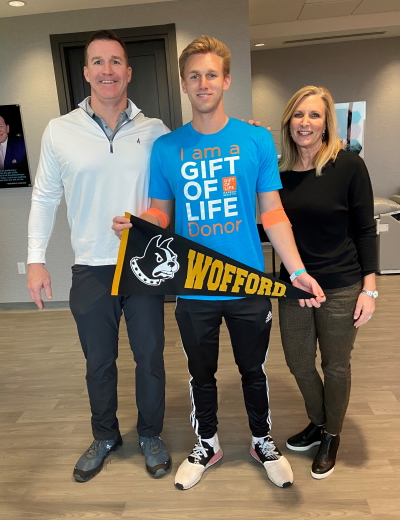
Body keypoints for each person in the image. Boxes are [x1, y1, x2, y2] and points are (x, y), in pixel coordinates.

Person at [113, 36, 325, 490]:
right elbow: (161, 212)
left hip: (248, 283)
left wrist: (299, 270)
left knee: (254, 371)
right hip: (195, 286)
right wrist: (140, 225)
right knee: (200, 373)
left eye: (212, 74)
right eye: (194, 75)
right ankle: (206, 442)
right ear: (184, 84)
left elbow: (272, 212)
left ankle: (261, 440)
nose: (203, 83)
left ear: (225, 80)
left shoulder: (255, 138)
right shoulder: (167, 148)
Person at [27, 30, 172, 483]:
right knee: (99, 362)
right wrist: (35, 259)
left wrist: (150, 219)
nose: (107, 70)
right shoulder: (60, 130)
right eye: (97, 62)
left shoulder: (156, 132)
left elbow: (170, 199)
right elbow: (45, 197)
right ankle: (105, 434)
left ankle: (150, 433)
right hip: (90, 266)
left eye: (115, 62)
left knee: (150, 357)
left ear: (128, 72)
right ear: (86, 72)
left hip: (143, 263)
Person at [277, 85, 377, 479]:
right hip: (294, 287)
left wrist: (369, 288)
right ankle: (318, 422)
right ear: (289, 121)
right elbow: (273, 226)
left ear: (326, 123)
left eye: (314, 115)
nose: (305, 122)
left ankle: (331, 435)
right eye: (298, 114)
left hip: (340, 285)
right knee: (299, 362)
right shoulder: (279, 171)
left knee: (335, 365)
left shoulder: (348, 166)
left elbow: (365, 230)